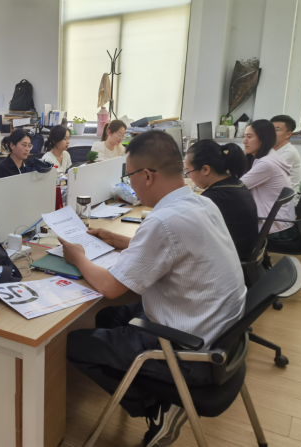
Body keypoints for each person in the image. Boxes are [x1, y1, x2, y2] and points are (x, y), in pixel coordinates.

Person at [61, 131, 246, 447]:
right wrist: (122, 240)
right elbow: (177, 249)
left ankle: (156, 406)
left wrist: (77, 256)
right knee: (107, 318)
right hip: (219, 334)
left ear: (146, 175)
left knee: (75, 344)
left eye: (129, 176)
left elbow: (110, 287)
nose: (130, 185)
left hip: (190, 351)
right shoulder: (200, 201)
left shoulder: (163, 221)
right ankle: (148, 389)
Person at [184, 139, 258, 259]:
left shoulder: (212, 198)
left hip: (233, 259)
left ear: (205, 169)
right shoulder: (235, 183)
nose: (189, 177)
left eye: (188, 171)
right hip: (246, 252)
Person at [241, 120, 295, 240]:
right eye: (244, 136)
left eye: (249, 137)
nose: (244, 141)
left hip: (274, 229)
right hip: (279, 222)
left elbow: (236, 187)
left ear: (263, 139)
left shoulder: (267, 164)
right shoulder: (271, 156)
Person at [271, 115, 301, 200]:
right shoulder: (271, 150)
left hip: (284, 200)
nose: (271, 133)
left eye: (277, 130)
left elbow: (266, 173)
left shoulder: (289, 152)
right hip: (273, 194)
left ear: (288, 134)